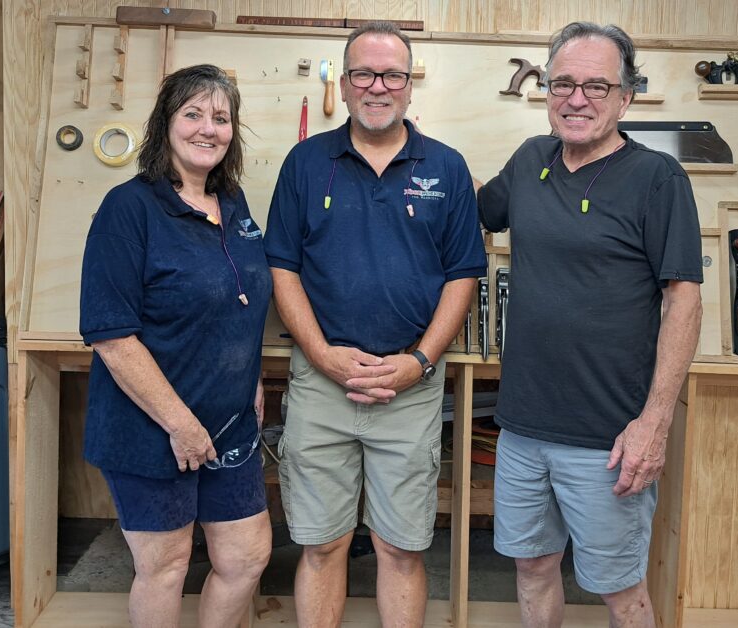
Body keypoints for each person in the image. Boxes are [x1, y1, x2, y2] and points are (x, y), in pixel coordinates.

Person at [475, 22, 703, 628]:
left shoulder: (658, 178)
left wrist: (653, 424)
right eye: (564, 84)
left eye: (597, 87)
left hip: (608, 438)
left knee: (619, 590)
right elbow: (473, 209)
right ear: (547, 91)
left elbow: (684, 300)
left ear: (626, 97)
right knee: (532, 568)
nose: (577, 99)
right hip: (522, 426)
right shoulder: (529, 160)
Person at [264, 20, 487, 627]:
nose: (378, 86)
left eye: (392, 74)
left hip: (409, 390)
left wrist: (418, 362)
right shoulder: (307, 163)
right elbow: (282, 268)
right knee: (321, 544)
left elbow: (463, 274)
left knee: (401, 547)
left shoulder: (445, 167)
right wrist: (322, 354)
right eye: (364, 73)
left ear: (410, 84)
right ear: (347, 81)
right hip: (321, 384)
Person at [79, 64, 272, 628]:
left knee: (246, 557)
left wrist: (250, 375)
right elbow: (112, 337)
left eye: (221, 117)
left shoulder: (232, 204)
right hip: (151, 427)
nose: (207, 129)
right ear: (166, 124)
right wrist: (180, 424)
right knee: (165, 565)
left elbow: (240, 299)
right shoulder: (129, 209)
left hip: (229, 423)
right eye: (193, 114)